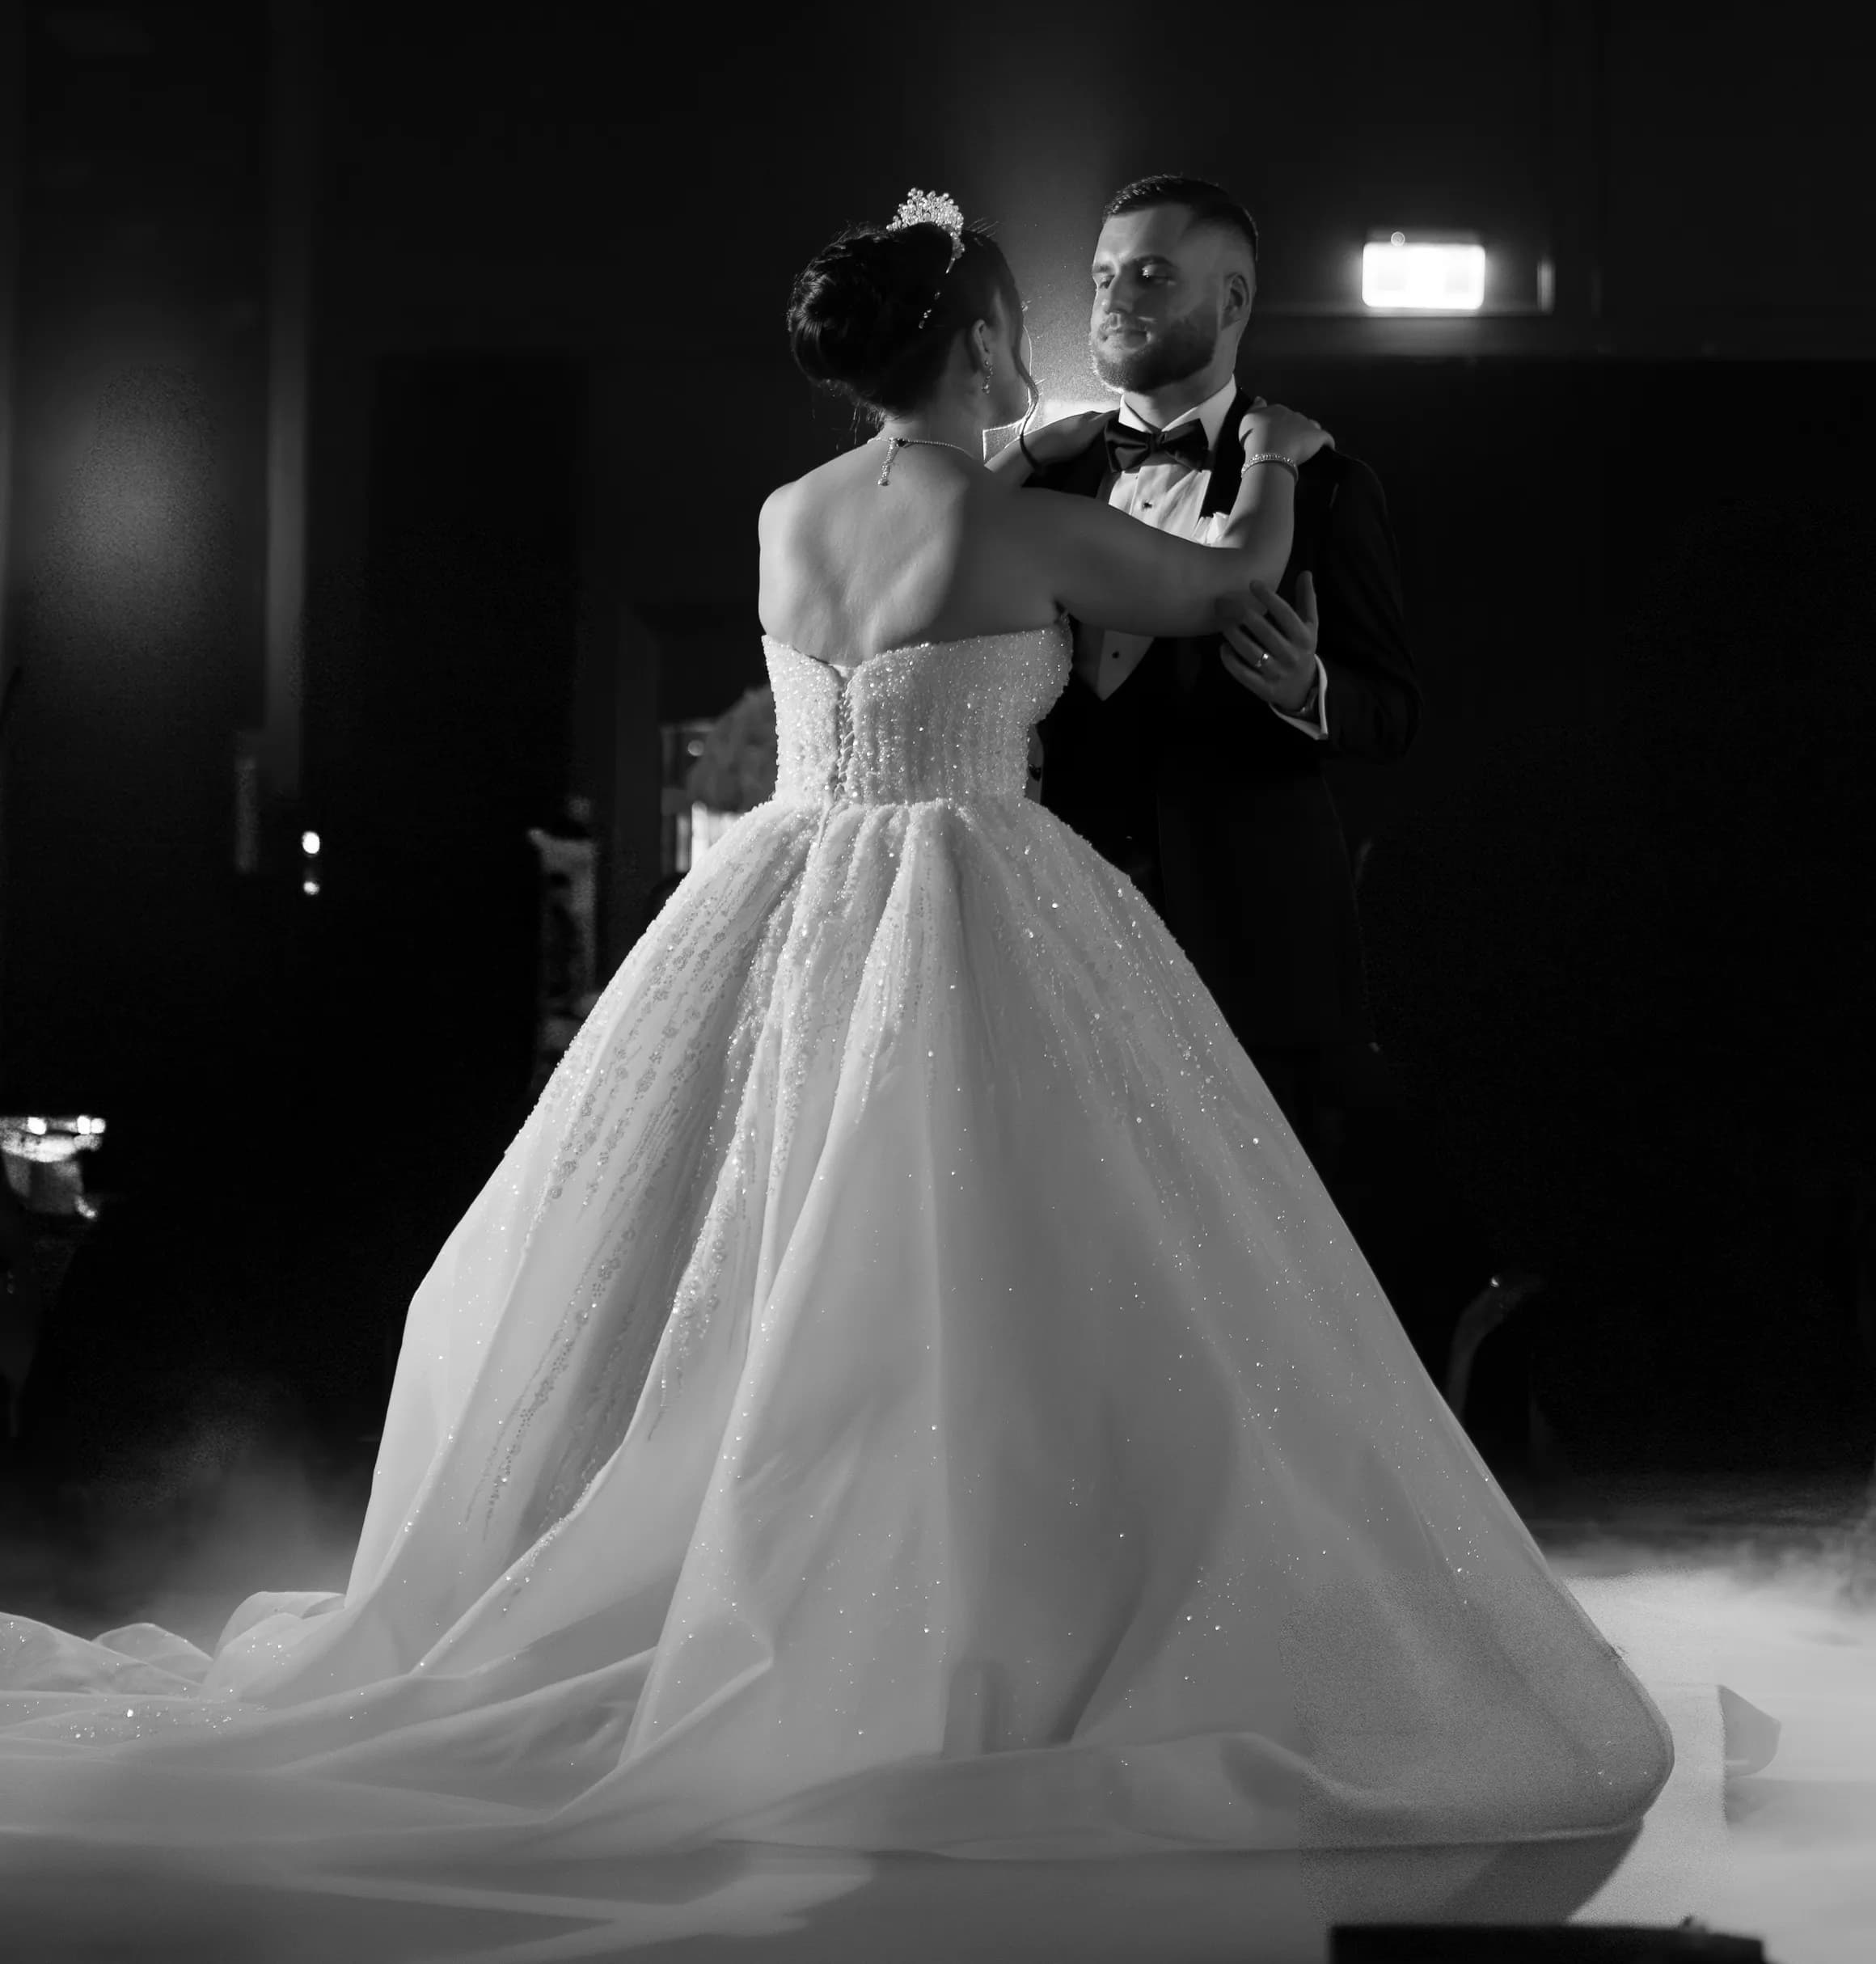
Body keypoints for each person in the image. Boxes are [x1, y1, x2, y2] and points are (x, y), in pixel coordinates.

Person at [0, 191, 1675, 1877]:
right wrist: (1284, 460)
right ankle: (980, 1603)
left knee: (750, 1238)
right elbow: (1230, 575)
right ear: (971, 346)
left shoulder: (785, 511)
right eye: (1018, 324)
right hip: (966, 880)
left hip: (792, 886)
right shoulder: (1007, 523)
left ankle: (707, 1569)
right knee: (987, 1261)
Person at [1026, 174, 1420, 1189]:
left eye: (1152, 275)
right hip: (1052, 925)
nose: (1115, 298)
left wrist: (1306, 686)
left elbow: (1393, 711)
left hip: (1252, 937)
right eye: (1105, 274)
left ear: (1233, 301)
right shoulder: (1039, 477)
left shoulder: (1328, 484)